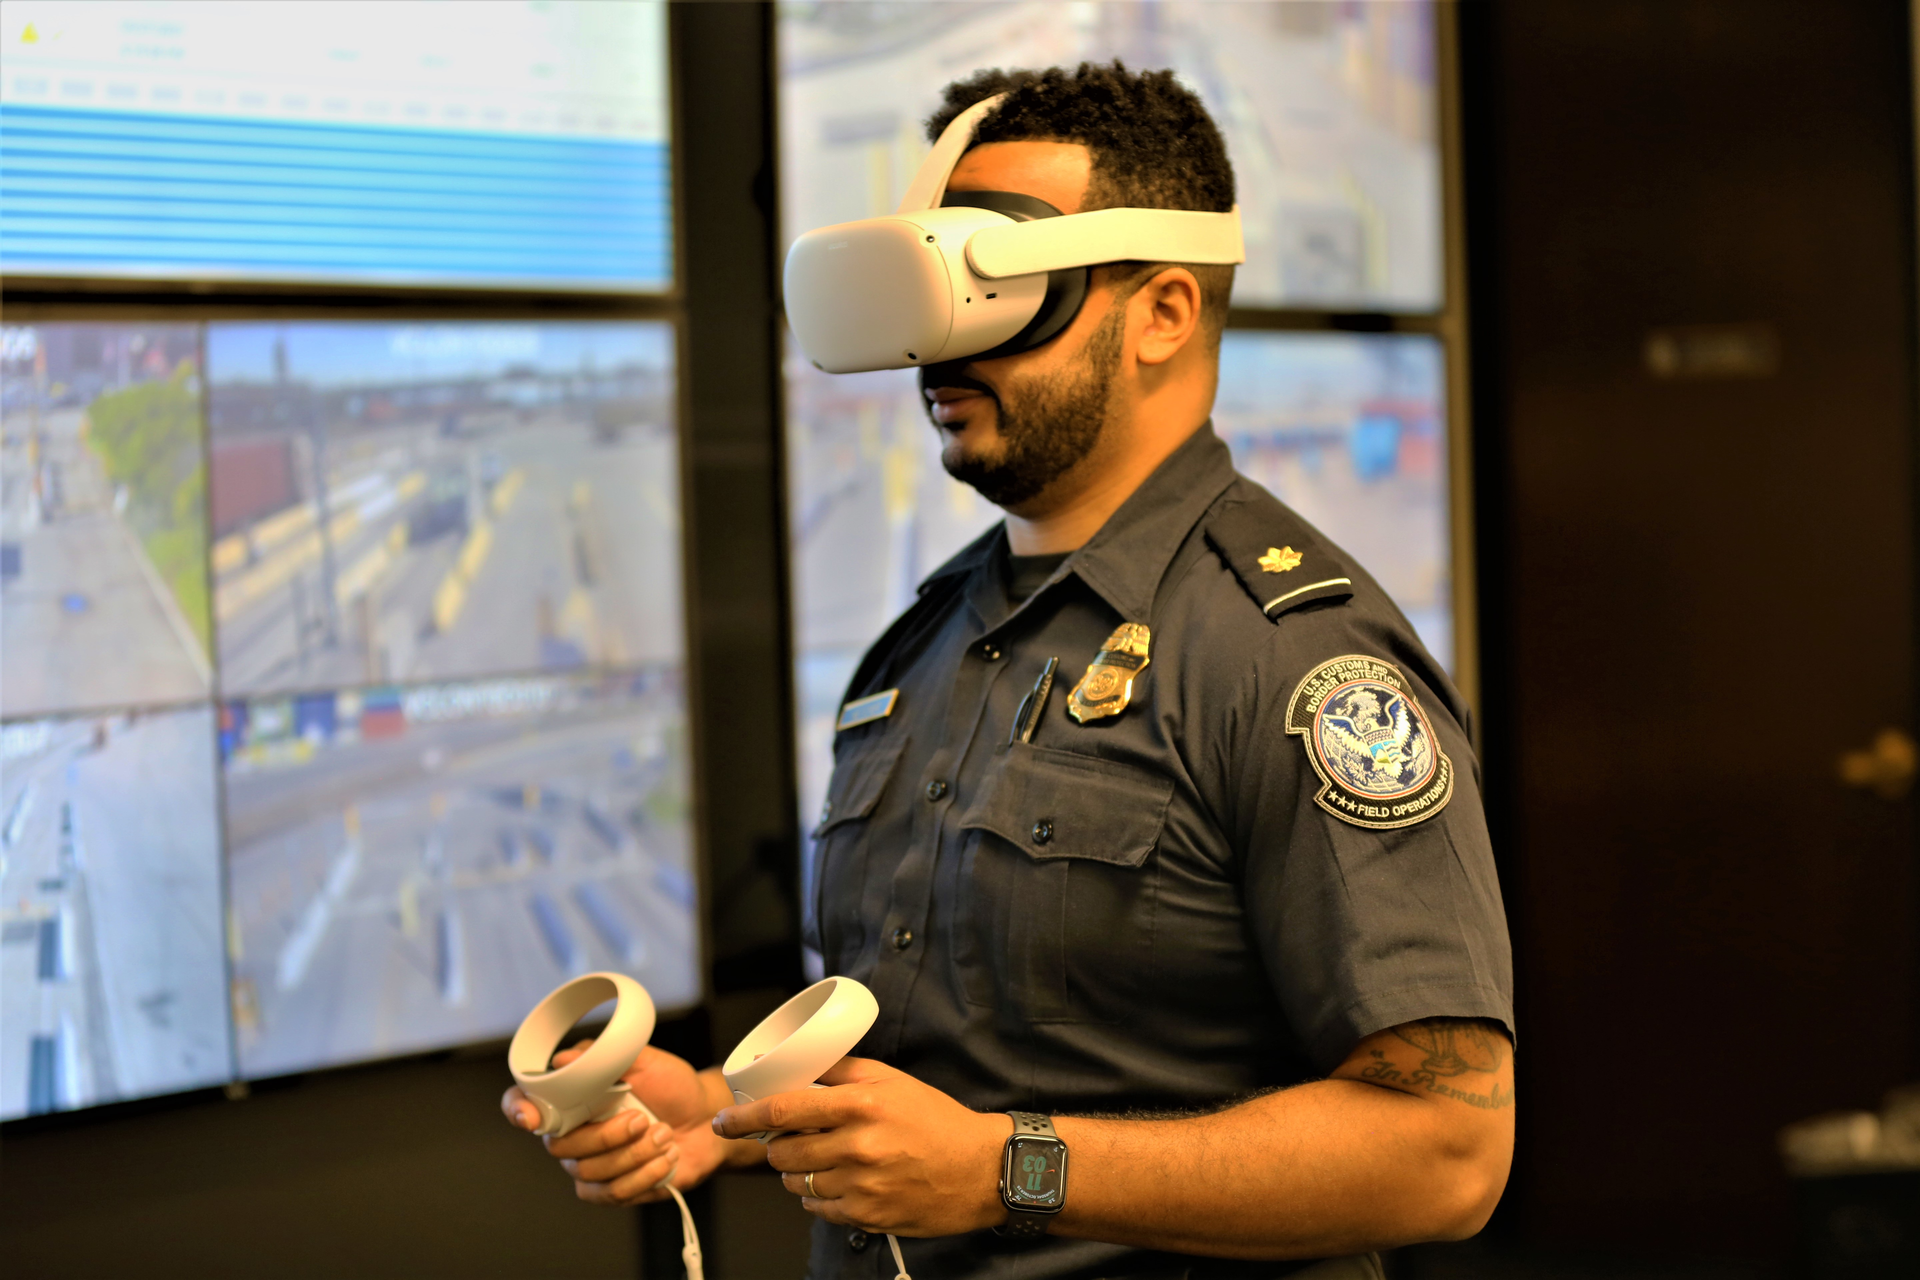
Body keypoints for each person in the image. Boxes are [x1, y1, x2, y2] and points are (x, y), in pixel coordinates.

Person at [504, 63, 1515, 1280]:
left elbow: (1448, 1149)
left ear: (1164, 311)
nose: (942, 341)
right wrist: (725, 1106)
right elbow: (961, 1062)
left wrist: (1005, 1171)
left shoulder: (1291, 652)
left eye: (1002, 283)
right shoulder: (919, 647)